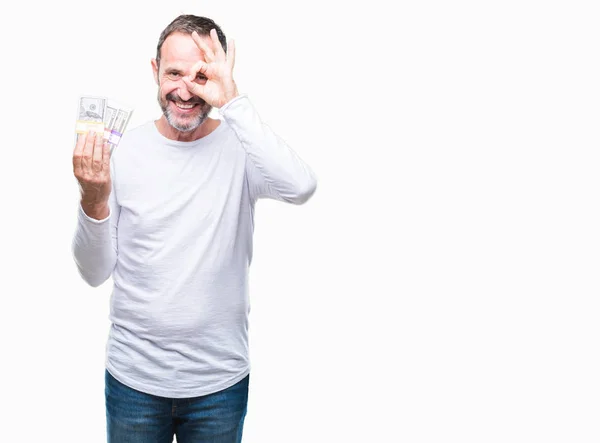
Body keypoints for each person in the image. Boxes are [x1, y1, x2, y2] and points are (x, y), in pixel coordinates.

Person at [71, 14, 317, 443]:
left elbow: (301, 187)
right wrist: (92, 200)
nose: (186, 90)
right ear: (154, 72)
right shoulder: (124, 150)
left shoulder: (242, 147)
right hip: (134, 381)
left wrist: (234, 101)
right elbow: (94, 273)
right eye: (175, 73)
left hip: (218, 384)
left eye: (202, 75)